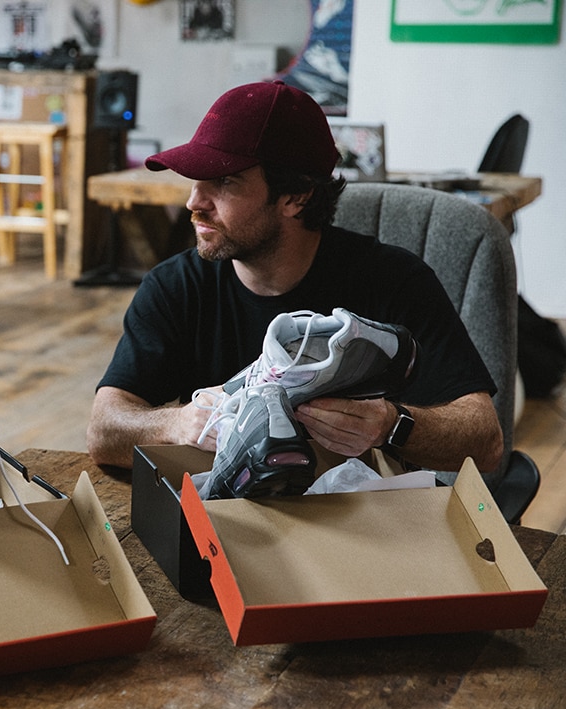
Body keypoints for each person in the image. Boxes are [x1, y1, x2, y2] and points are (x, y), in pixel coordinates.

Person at [87, 80, 503, 477]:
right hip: (229, 519)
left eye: (225, 181)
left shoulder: (394, 280)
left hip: (360, 521)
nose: (194, 202)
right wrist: (176, 425)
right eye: (196, 180)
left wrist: (391, 425)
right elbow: (104, 429)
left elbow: (486, 441)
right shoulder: (174, 286)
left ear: (296, 196)